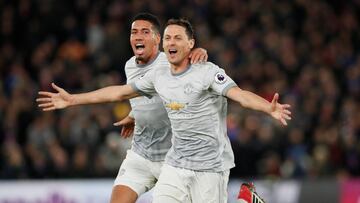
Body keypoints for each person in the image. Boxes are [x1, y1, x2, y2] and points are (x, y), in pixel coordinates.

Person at [36, 18, 291, 203]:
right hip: (174, 163)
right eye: (169, 37)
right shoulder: (156, 75)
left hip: (209, 166)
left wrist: (267, 108)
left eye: (177, 38)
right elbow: (119, 92)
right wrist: (73, 100)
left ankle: (247, 200)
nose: (171, 42)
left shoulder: (207, 71)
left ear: (190, 44)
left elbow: (240, 96)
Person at [39, 13, 208, 203]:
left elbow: (119, 93)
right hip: (141, 155)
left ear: (157, 39)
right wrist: (135, 113)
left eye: (145, 32)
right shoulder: (130, 66)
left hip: (173, 160)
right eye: (134, 32)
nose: (138, 37)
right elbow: (140, 94)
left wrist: (198, 52)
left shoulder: (170, 63)